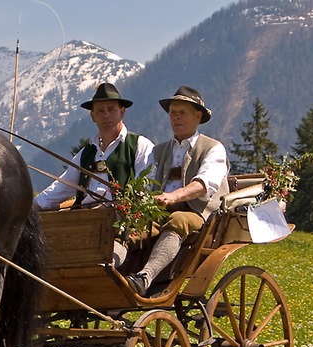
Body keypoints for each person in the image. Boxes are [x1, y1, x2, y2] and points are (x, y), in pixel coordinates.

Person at [34, 82, 155, 266]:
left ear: (122, 112)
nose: (106, 115)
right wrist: (30, 208)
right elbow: (60, 188)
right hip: (84, 221)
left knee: (99, 262)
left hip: (119, 225)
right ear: (92, 116)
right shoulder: (86, 153)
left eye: (111, 110)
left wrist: (113, 210)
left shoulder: (140, 146)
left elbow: (143, 192)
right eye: (100, 111)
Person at [125, 85, 229, 296]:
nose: (176, 118)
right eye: (173, 113)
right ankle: (112, 276)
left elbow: (203, 184)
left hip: (199, 214)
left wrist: (173, 196)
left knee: (178, 220)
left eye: (182, 113)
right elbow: (147, 182)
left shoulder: (213, 148)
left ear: (198, 116)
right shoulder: (160, 150)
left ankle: (145, 276)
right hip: (160, 210)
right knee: (127, 226)